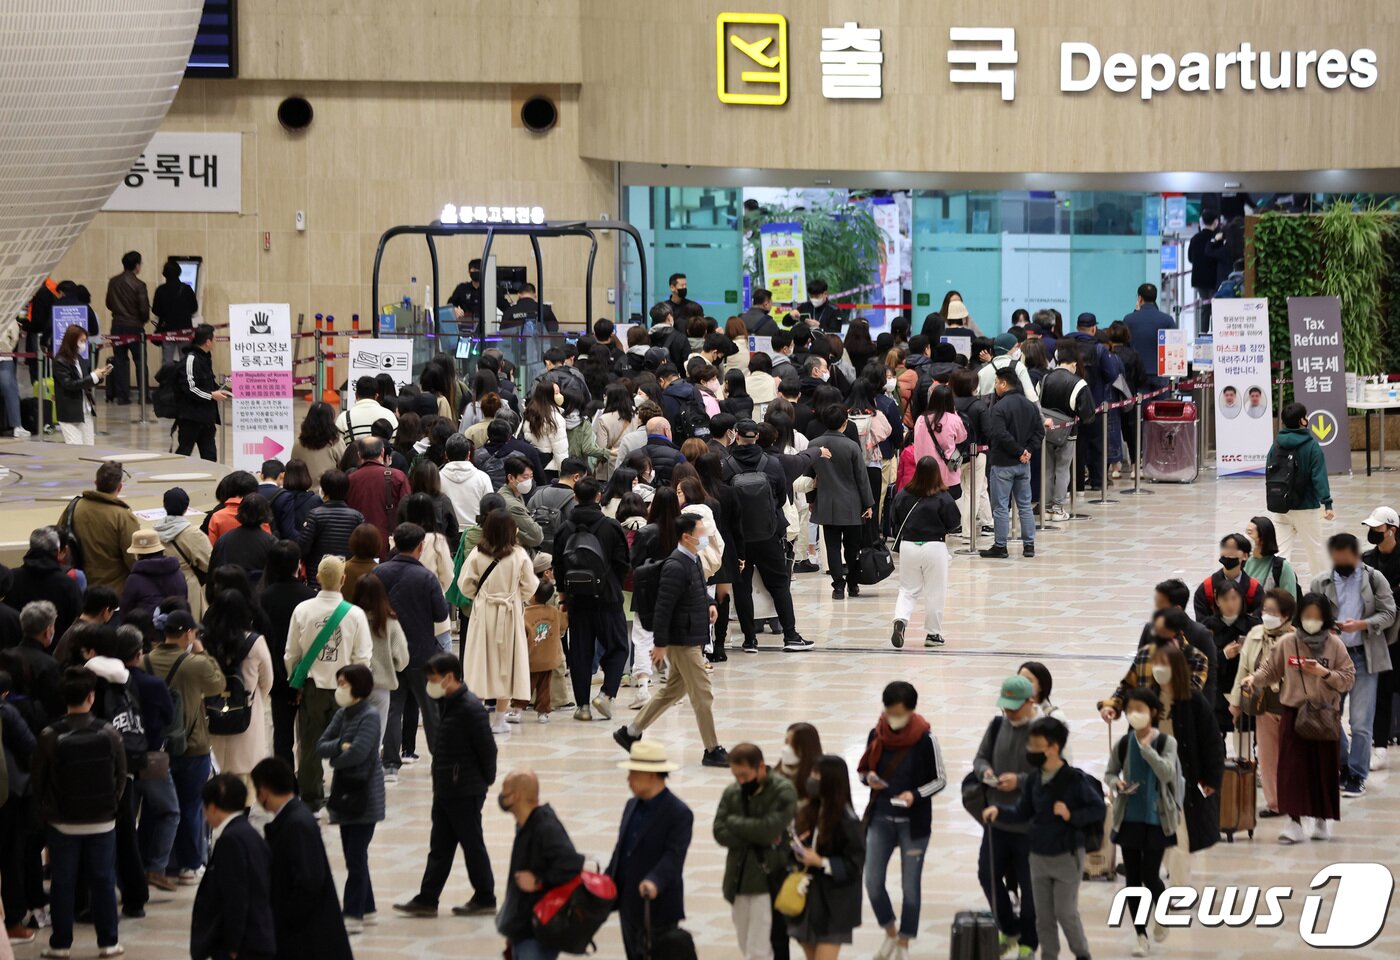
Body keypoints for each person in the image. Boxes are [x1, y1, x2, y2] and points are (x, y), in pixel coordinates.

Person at [981, 716, 1103, 960]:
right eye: (1031, 745)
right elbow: (1022, 811)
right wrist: (999, 811)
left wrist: (1071, 815)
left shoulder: (1074, 780)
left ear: (1054, 747)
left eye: (1036, 746)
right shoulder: (1033, 780)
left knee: (1065, 912)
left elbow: (1098, 809)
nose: (1031, 751)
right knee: (1044, 915)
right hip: (1038, 856)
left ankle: (1082, 953)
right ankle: (1049, 954)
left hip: (1067, 855)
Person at [613, 514, 729, 767]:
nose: (704, 537)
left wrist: (709, 603)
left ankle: (630, 732)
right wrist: (660, 644)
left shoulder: (692, 559)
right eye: (701, 532)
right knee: (703, 694)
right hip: (683, 641)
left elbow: (697, 588)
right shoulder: (675, 566)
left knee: (672, 690)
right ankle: (712, 749)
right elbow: (664, 607)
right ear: (687, 537)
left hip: (689, 634)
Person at [1242, 593, 1356, 843]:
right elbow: (1270, 670)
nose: (1311, 621)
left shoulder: (1335, 645)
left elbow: (1348, 679)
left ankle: (1321, 820)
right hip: (1293, 713)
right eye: (1306, 616)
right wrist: (1254, 679)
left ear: (1325, 618)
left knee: (1323, 768)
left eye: (1316, 616)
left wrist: (1323, 672)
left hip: (1325, 715)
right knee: (1292, 770)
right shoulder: (1288, 642)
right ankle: (1294, 822)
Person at [394, 652, 499, 919]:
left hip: (465, 790)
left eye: (433, 679)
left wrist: (483, 783)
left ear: (449, 677)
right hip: (446, 788)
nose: (430, 685)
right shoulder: (447, 703)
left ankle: (485, 897)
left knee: (472, 845)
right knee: (440, 847)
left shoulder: (470, 708)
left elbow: (488, 750)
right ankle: (427, 899)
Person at [33, 668, 127, 959]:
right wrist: (110, 804)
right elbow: (121, 775)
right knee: (103, 881)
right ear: (91, 697)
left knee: (62, 883)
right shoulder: (109, 732)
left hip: (62, 823)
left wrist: (48, 811)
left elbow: (39, 781)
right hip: (102, 821)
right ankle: (108, 942)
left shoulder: (49, 735)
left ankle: (60, 944)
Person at [859, 682, 944, 960]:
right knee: (872, 882)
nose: (892, 718)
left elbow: (939, 779)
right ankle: (890, 932)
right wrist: (869, 778)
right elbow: (863, 770)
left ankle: (904, 943)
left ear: (910, 710)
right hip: (881, 818)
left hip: (913, 823)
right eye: (889, 712)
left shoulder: (926, 739)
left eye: (898, 713)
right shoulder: (877, 733)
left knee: (910, 887)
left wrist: (914, 795)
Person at [1308, 533, 1396, 798]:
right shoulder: (1320, 582)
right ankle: (1344, 766)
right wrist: (1325, 628)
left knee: (1361, 722)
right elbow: (1309, 616)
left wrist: (1363, 624)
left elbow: (1389, 612)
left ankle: (1357, 775)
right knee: (1327, 716)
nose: (1341, 563)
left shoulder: (1374, 579)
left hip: (1364, 656)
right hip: (1333, 658)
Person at [284, 555, 374, 809]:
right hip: (346, 689)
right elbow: (363, 658)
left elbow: (291, 654)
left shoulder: (302, 610)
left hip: (312, 687)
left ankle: (311, 799)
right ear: (343, 580)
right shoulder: (355, 614)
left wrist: (295, 682)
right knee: (348, 744)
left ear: (317, 577)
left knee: (309, 745)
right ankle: (344, 796)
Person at [145, 609, 225, 887]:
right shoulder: (195, 664)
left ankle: (157, 862)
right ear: (189, 634)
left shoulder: (145, 660)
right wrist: (203, 652)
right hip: (192, 744)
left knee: (157, 808)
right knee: (191, 805)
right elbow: (218, 684)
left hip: (155, 747)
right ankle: (189, 865)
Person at [1103, 688, 1182, 958]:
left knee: (1150, 874)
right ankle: (1140, 935)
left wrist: (1147, 750)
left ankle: (1162, 910)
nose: (1134, 714)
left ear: (1153, 712)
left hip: (1157, 820)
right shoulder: (1124, 743)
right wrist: (1117, 783)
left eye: (1140, 709)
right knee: (1133, 879)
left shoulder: (1166, 742)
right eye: (1130, 710)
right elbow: (1110, 772)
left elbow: (1167, 773)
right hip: (1129, 819)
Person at [250, 757, 353, 960]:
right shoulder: (295, 816)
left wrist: (284, 917)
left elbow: (309, 882)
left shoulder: (296, 823)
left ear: (263, 791)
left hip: (308, 938)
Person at [973, 676, 1040, 960]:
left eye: (1015, 707)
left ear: (1030, 702)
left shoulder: (1044, 732)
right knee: (986, 874)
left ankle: (1029, 941)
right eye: (1006, 707)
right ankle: (1009, 928)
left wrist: (1020, 781)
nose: (1009, 712)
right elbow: (980, 758)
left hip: (1029, 827)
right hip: (997, 822)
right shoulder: (997, 726)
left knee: (1030, 887)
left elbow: (1054, 774)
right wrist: (986, 772)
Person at [607, 740, 693, 960]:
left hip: (657, 906)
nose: (628, 779)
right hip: (628, 905)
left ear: (652, 775)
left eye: (634, 773)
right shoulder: (631, 805)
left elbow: (674, 857)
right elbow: (621, 850)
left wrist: (654, 880)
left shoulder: (679, 813)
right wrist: (606, 882)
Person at [314, 663, 384, 934]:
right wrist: (340, 746)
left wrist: (337, 757)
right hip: (345, 794)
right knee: (354, 855)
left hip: (365, 796)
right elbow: (321, 745)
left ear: (358, 686)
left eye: (344, 683)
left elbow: (359, 752)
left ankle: (353, 913)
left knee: (356, 856)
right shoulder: (343, 714)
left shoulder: (370, 716)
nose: (340, 688)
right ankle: (369, 908)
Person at [376, 522, 452, 769]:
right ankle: (440, 759)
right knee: (430, 709)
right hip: (422, 652)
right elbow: (441, 615)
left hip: (388, 651)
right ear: (421, 546)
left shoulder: (379, 573)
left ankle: (390, 762)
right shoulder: (426, 577)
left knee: (393, 707)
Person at [554, 478, 631, 720]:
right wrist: (612, 583)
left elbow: (558, 567)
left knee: (580, 653)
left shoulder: (564, 529)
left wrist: (564, 598)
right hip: (608, 598)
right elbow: (623, 563)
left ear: (575, 497)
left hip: (577, 600)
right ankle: (606, 694)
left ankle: (583, 707)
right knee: (619, 646)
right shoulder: (611, 526)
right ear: (598, 496)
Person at [1147, 643, 1224, 883]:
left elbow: (1212, 743)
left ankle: (1179, 889)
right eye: (1156, 664)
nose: (1159, 669)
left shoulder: (1193, 700)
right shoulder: (1148, 699)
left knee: (1179, 838)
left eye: (1164, 664)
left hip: (1183, 781)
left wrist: (1211, 780)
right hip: (1152, 780)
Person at [712, 742, 796, 960]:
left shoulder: (782, 791)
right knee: (744, 943)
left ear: (760, 767)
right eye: (736, 776)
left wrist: (734, 823)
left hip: (767, 881)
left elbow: (769, 830)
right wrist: (756, 832)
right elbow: (719, 832)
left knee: (759, 951)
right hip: (737, 880)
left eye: (744, 775)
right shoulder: (732, 792)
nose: (740, 781)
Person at [458, 510, 538, 731]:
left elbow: (465, 585)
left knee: (480, 664)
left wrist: (482, 597)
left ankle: (477, 720)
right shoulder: (519, 555)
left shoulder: (477, 553)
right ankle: (500, 720)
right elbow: (530, 586)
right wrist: (514, 597)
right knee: (507, 664)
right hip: (509, 613)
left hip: (483, 613)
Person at [494, 770, 586, 960]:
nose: (501, 797)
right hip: (523, 929)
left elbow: (572, 864)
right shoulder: (525, 825)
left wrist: (539, 880)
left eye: (505, 791)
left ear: (517, 796)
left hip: (536, 934)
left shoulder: (545, 827)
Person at [192, 774, 275, 960]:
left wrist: (233, 945)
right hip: (257, 936)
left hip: (244, 945)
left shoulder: (231, 840)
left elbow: (236, 897)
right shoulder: (248, 832)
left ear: (213, 807)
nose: (204, 815)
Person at [1227, 588, 1295, 817]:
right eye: (1265, 610)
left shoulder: (1296, 639)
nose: (1267, 615)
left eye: (1273, 612)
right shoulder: (1255, 634)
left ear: (1286, 615)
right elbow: (1243, 670)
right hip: (1264, 706)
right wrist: (1236, 702)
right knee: (1267, 757)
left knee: (1291, 757)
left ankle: (1295, 798)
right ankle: (1275, 803)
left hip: (1292, 707)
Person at [788, 754, 864, 958]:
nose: (811, 779)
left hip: (834, 904)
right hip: (808, 900)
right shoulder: (808, 811)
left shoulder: (847, 821)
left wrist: (821, 861)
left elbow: (854, 865)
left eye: (817, 774)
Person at [889, 456, 961, 649]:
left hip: (908, 545)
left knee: (907, 589)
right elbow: (954, 523)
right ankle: (933, 634)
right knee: (935, 591)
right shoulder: (943, 496)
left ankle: (900, 619)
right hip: (934, 546)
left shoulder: (903, 494)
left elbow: (894, 519)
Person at [204, 590, 274, 784]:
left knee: (216, 775)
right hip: (247, 711)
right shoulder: (255, 642)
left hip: (213, 712)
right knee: (245, 780)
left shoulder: (205, 641)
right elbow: (267, 681)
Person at [808, 405, 874, 600]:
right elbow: (862, 478)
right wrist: (868, 503)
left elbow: (809, 476)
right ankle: (853, 584)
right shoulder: (852, 446)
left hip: (826, 502)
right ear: (845, 423)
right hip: (852, 504)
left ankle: (838, 586)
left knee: (832, 546)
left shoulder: (814, 444)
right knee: (852, 547)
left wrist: (811, 500)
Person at [259, 540, 315, 766]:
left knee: (281, 735)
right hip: (309, 674)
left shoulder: (263, 598)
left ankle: (283, 778)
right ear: (299, 564)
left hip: (277, 674)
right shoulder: (311, 596)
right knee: (309, 735)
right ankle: (310, 778)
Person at [980, 368, 1044, 560]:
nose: (995, 387)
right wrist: (1027, 451)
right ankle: (1029, 545)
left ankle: (1000, 546)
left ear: (1004, 383)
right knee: (1025, 505)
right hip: (1024, 464)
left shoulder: (999, 408)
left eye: (996, 383)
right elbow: (1039, 432)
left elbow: (999, 434)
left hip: (1002, 463)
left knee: (1000, 507)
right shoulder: (1030, 405)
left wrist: (1018, 451)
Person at [1265, 402, 1334, 578]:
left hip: (1281, 506)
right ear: (1302, 421)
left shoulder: (1276, 445)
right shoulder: (1311, 447)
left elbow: (1269, 473)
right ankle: (1322, 589)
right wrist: (1327, 503)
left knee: (1280, 555)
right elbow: (1319, 477)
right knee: (1315, 552)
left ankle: (1279, 589)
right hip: (1306, 508)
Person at [1361, 505, 1400, 770]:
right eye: (1371, 527)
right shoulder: (1366, 559)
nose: (1373, 531)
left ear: (1391, 530)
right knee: (1381, 690)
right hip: (1376, 633)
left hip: (1398, 632)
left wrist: (1383, 598)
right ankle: (1380, 746)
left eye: (1378, 527)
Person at [1037, 344, 1095, 522]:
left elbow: (1036, 404)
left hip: (1046, 431)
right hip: (1068, 432)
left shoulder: (1044, 379)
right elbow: (1088, 414)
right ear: (1074, 364)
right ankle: (1058, 508)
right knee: (1063, 469)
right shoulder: (1079, 383)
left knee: (1047, 469)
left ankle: (1046, 507)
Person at [6, 528, 84, 646]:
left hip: (17, 649)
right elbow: (76, 622)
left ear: (31, 548)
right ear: (58, 552)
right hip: (56, 650)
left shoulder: (12, 578)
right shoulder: (68, 584)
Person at [1201, 581, 1259, 734]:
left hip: (1246, 689)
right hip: (1218, 689)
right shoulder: (1207, 626)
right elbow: (1201, 660)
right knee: (1216, 731)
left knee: (1245, 732)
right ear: (1217, 601)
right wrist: (1223, 655)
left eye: (1234, 598)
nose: (1230, 604)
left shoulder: (1254, 625)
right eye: (1225, 599)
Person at [345, 437, 410, 560]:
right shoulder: (398, 477)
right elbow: (407, 510)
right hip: (389, 545)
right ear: (382, 452)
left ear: (359, 455)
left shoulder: (350, 480)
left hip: (357, 545)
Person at [173, 324, 229, 461]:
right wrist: (212, 395)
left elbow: (208, 382)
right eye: (214, 338)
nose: (215, 341)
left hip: (207, 417)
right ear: (208, 341)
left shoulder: (205, 357)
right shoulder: (190, 359)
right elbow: (190, 388)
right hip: (190, 418)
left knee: (210, 456)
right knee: (184, 453)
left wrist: (219, 390)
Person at [296, 469, 366, 577]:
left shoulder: (314, 515)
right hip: (346, 574)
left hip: (318, 574)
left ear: (324, 489)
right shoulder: (357, 517)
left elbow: (303, 547)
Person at [53, 323, 112, 448]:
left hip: (85, 411)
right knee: (76, 448)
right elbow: (70, 384)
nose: (84, 344)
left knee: (88, 448)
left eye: (85, 341)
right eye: (82, 341)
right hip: (69, 413)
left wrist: (99, 375)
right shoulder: (60, 361)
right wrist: (93, 376)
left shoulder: (79, 359)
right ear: (72, 341)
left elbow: (86, 380)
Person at [103, 250, 148, 405]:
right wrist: (142, 320)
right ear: (137, 265)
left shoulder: (113, 282)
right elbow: (144, 310)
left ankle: (123, 396)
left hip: (117, 326)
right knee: (140, 361)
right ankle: (143, 395)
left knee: (120, 361)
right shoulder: (139, 285)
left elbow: (109, 303)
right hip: (135, 328)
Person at [522, 581, 566, 723]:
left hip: (531, 658)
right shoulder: (553, 611)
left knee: (525, 685)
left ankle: (517, 709)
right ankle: (542, 713)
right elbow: (564, 624)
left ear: (533, 596)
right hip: (549, 659)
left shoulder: (525, 613)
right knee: (544, 687)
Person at [209, 495, 278, 583]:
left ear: (240, 511)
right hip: (259, 588)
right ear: (266, 513)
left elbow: (213, 569)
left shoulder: (223, 539)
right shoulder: (271, 541)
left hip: (230, 587)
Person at [1192, 533, 1262, 620]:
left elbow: (1258, 620)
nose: (1228, 552)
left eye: (1233, 548)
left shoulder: (1254, 589)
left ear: (1245, 556)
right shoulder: (1207, 588)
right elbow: (1201, 622)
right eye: (1225, 547)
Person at [1121, 283, 1175, 384]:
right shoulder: (1167, 320)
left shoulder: (1129, 319)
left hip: (1137, 372)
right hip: (1161, 372)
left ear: (1140, 298)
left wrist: (1136, 311)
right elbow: (1174, 345)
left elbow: (1125, 345)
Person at [150, 258, 197, 367]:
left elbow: (155, 310)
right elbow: (194, 308)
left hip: (167, 330)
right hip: (185, 329)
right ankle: (185, 378)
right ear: (179, 273)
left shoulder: (160, 290)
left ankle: (168, 378)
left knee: (167, 361)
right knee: (186, 360)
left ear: (164, 274)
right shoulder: (187, 289)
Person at [440, 433, 494, 527]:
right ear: (469, 454)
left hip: (446, 532)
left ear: (446, 455)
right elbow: (491, 508)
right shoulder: (483, 478)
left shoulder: (437, 478)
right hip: (476, 532)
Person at [291, 402, 347, 487]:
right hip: (329, 490)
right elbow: (344, 465)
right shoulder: (335, 442)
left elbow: (293, 467)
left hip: (304, 491)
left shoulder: (298, 442)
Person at [1245, 515, 1300, 595]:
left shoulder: (1282, 567)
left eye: (1250, 533)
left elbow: (1290, 599)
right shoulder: (1242, 561)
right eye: (1246, 532)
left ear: (1262, 539)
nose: (1246, 537)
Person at [498, 456, 545, 549]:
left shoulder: (513, 492)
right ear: (511, 478)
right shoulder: (513, 506)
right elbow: (537, 536)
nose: (529, 481)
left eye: (531, 477)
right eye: (525, 477)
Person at [336, 376, 398, 442]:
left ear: (356, 395)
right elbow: (394, 442)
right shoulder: (390, 415)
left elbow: (337, 443)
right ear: (376, 396)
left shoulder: (344, 418)